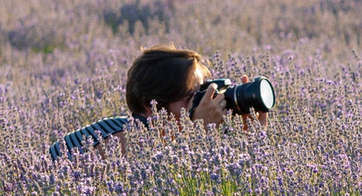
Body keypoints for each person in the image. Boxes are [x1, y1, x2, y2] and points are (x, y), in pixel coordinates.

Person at [49, 46, 272, 161]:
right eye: (192, 97)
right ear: (151, 106)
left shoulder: (174, 143)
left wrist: (253, 141)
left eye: (204, 91)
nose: (206, 102)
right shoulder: (122, 140)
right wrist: (196, 134)